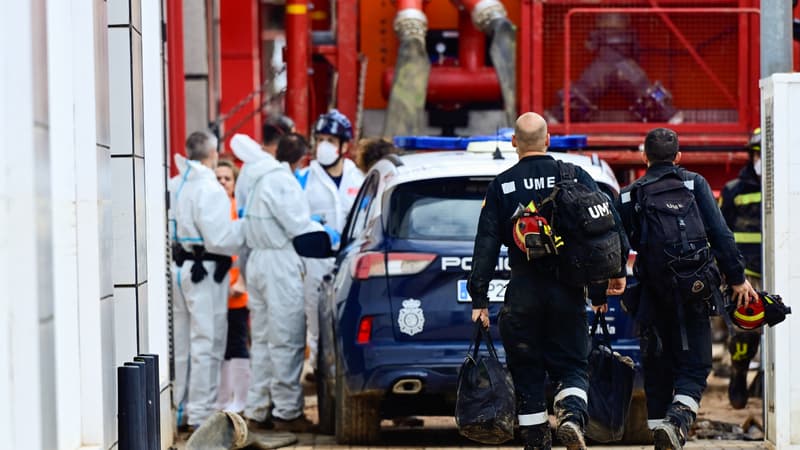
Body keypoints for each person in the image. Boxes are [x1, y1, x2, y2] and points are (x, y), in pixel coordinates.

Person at [468, 112, 628, 450]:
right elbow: (607, 229)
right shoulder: (573, 175)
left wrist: (479, 299)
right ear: (548, 139)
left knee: (526, 369)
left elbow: (484, 247)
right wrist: (611, 279)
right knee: (572, 364)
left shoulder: (501, 185)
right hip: (567, 293)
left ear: (514, 143)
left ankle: (537, 439)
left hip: (522, 296)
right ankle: (570, 417)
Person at [615, 128, 758, 450]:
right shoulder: (695, 184)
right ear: (679, 157)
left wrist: (609, 284)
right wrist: (737, 278)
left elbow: (616, 247)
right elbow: (721, 234)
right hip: (694, 289)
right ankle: (678, 420)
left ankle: (658, 433)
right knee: (695, 363)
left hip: (651, 292)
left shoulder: (628, 194)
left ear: (644, 157)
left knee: (656, 365)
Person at [231, 133, 323, 433]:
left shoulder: (256, 176)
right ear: (300, 159)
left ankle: (257, 410)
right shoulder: (282, 181)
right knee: (286, 339)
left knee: (262, 340)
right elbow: (298, 224)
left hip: (257, 260)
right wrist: (322, 229)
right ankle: (287, 412)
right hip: (279, 262)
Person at [172, 131, 246, 429]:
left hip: (178, 269)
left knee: (179, 342)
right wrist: (245, 229)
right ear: (213, 154)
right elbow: (219, 238)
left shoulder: (174, 183)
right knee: (207, 343)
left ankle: (178, 409)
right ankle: (201, 416)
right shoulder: (210, 189)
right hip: (205, 275)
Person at [296, 110, 365, 381]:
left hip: (349, 261)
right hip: (314, 260)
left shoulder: (358, 179)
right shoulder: (303, 178)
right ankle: (317, 367)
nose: (324, 145)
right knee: (314, 316)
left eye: (331, 140)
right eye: (320, 138)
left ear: (344, 145)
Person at [546, 13, 682, 124]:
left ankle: (556, 116)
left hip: (602, 67)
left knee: (582, 91)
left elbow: (590, 46)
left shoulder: (598, 35)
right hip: (626, 67)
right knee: (645, 90)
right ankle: (670, 115)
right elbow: (636, 51)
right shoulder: (630, 35)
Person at [718, 128, 763, 409]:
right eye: (758, 153)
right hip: (748, 274)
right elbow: (721, 233)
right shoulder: (734, 191)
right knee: (746, 331)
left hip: (785, 268)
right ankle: (739, 374)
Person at [213, 159, 251, 414]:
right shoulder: (212, 209)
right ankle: (222, 401)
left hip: (236, 290)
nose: (223, 182)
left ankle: (241, 401)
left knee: (237, 342)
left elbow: (246, 248)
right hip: (215, 289)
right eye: (218, 178)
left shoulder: (240, 210)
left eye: (227, 178)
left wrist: (241, 281)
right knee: (218, 345)